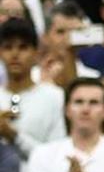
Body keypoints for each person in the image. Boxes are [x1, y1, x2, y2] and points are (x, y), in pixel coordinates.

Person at [0, 17, 66, 160]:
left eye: (23, 47)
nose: (15, 54)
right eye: (8, 47)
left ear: (36, 53)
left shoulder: (54, 97)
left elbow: (55, 157)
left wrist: (14, 136)